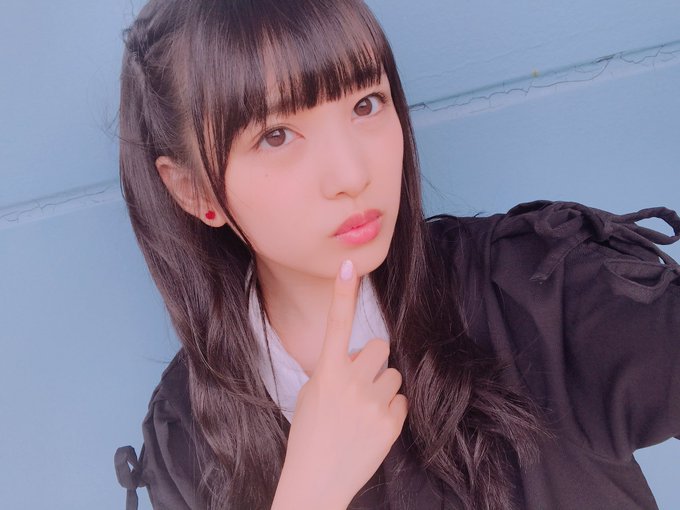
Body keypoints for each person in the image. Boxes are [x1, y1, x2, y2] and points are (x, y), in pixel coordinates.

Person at [113, 0, 680, 509]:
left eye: (366, 103)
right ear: (195, 191)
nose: (352, 174)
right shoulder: (186, 442)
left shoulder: (535, 291)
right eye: (276, 136)